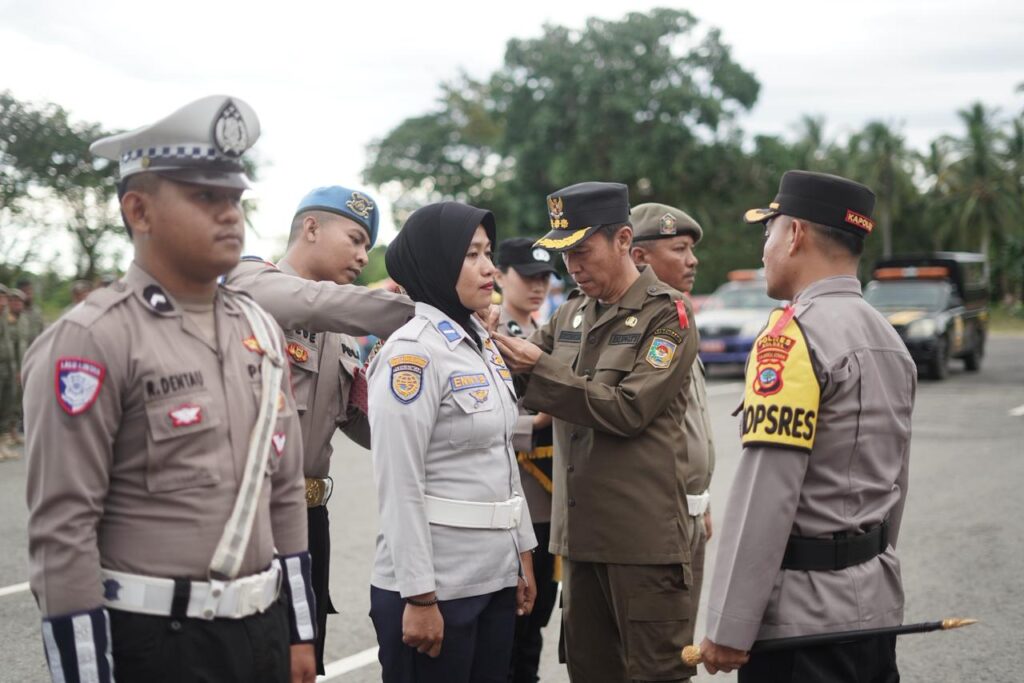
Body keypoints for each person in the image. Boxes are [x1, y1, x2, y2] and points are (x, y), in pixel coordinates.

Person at [23, 95, 318, 683]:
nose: (229, 215)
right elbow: (64, 531)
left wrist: (299, 631)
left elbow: (284, 490)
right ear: (139, 211)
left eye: (234, 198)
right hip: (158, 644)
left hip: (262, 631)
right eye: (205, 197)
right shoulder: (93, 339)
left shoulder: (259, 329)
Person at [699, 171, 916, 682]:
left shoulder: (792, 338)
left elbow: (765, 494)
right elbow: (896, 483)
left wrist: (729, 626)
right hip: (875, 608)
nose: (764, 251)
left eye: (768, 232)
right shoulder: (888, 338)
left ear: (794, 234)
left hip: (802, 624)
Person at [493, 181, 700, 682]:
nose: (572, 267)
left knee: (654, 674)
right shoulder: (573, 312)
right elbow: (516, 373)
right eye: (565, 255)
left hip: (642, 545)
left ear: (624, 239)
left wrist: (539, 367)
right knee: (590, 672)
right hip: (580, 543)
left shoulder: (667, 313)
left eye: (582, 251)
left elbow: (629, 409)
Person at [226, 184, 415, 674]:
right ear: (311, 228)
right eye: (355, 240)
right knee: (254, 657)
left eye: (367, 247)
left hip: (311, 515)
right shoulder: (251, 282)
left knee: (305, 655)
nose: (362, 256)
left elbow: (365, 425)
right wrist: (426, 312)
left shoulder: (340, 333)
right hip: (255, 512)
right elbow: (310, 301)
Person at [367, 201, 538, 683]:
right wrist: (420, 596)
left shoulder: (479, 343)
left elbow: (502, 456)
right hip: (438, 588)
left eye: (488, 253)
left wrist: (522, 552)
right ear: (437, 262)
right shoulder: (412, 353)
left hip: (494, 576)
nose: (489, 268)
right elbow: (399, 484)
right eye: (471, 255)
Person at [629, 202, 716, 675]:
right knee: (660, 658)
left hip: (690, 511)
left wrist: (702, 500)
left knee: (679, 649)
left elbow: (691, 422)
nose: (693, 259)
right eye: (679, 249)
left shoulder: (678, 316)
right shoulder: (638, 325)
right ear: (639, 257)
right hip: (659, 516)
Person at [494, 237, 560, 683]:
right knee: (511, 624)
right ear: (500, 276)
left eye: (544, 277)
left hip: (551, 499)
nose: (538, 286)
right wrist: (533, 424)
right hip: (514, 496)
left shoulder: (548, 330)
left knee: (537, 619)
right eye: (528, 276)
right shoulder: (487, 331)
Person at [0, 284, 15, 460]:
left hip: (7, 367)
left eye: (4, 298)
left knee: (6, 406)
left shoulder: (5, 317)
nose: (3, 302)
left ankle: (2, 445)